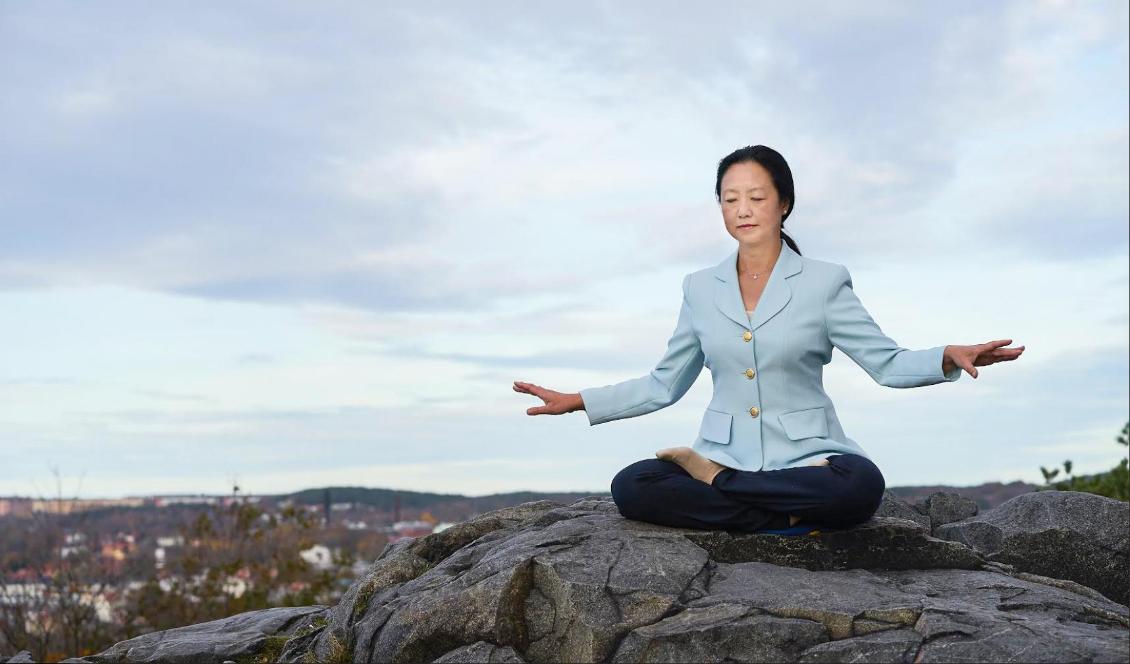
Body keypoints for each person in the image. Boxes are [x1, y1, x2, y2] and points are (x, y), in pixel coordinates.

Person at [513, 145, 1025, 533]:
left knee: (861, 487)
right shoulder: (699, 288)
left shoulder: (823, 282)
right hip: (725, 449)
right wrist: (578, 401)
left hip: (807, 457)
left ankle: (726, 492)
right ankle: (781, 517)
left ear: (784, 203)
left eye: (756, 197)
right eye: (731, 199)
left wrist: (948, 358)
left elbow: (886, 363)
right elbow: (664, 383)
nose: (743, 209)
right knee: (632, 486)